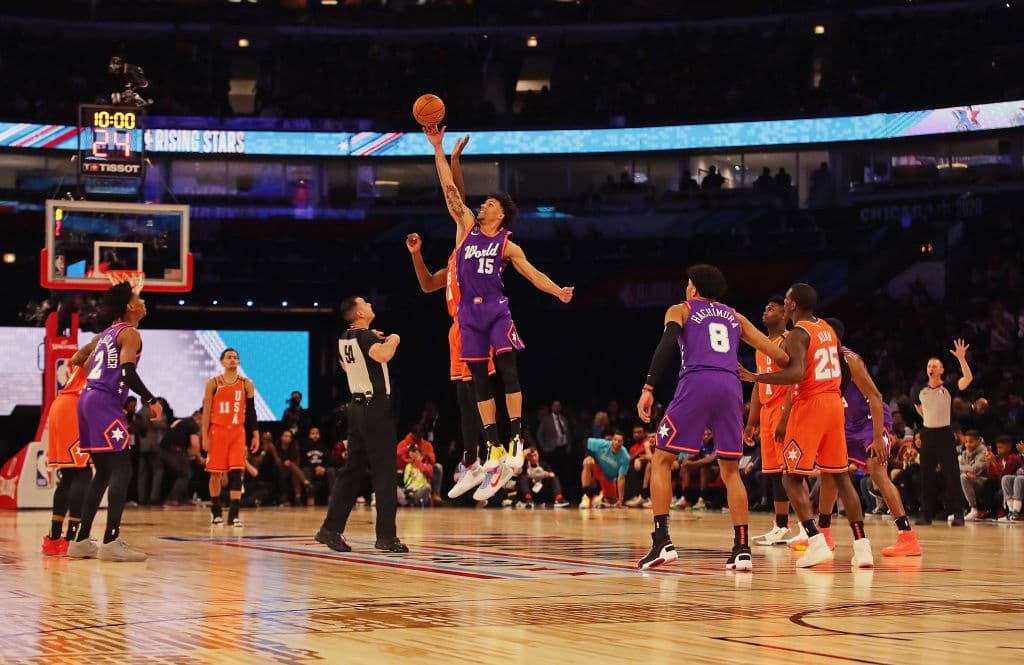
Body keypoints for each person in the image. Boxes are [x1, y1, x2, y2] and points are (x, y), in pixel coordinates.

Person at [424, 124, 574, 503]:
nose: (483, 205)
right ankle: (492, 451)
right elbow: (450, 191)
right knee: (476, 382)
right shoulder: (467, 228)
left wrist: (557, 290)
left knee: (507, 371)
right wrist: (438, 148)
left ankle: (515, 442)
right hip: (467, 317)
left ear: (501, 215)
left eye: (490, 203)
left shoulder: (507, 244)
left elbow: (532, 274)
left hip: (496, 311)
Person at [637, 264, 789, 572]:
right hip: (731, 387)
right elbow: (782, 358)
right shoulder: (736, 316)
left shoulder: (681, 309)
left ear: (693, 288)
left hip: (697, 382)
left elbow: (667, 344)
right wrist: (760, 375)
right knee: (731, 470)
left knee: (662, 459)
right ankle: (741, 548)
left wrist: (649, 387)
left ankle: (662, 541)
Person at [739, 283, 873, 569]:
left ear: (793, 305)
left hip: (809, 405)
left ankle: (815, 540)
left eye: (786, 300)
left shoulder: (799, 333)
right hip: (834, 404)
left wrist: (756, 378)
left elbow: (796, 373)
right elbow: (843, 368)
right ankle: (863, 547)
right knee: (840, 477)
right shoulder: (827, 328)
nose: (784, 303)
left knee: (790, 476)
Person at [406, 134, 497, 500]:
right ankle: (471, 461)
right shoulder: (456, 257)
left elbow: (452, 195)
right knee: (463, 399)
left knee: (481, 394)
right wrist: (416, 253)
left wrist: (438, 149)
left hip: (477, 322)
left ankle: (495, 458)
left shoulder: (473, 239)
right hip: (457, 328)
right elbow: (428, 285)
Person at [792, 318, 921, 557]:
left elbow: (875, 396)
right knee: (831, 473)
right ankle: (825, 534)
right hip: (845, 423)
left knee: (877, 470)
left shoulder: (850, 359)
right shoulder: (821, 360)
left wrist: (879, 436)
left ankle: (907, 537)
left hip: (870, 421)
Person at [68, 278, 161, 562]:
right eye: (140, 298)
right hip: (104, 401)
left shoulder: (106, 334)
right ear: (131, 306)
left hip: (88, 399)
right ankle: (110, 541)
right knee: (123, 468)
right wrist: (150, 399)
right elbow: (127, 373)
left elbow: (76, 358)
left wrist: (96, 367)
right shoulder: (130, 333)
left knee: (105, 472)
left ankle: (81, 540)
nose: (144, 302)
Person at [315, 296, 408, 554]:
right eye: (365, 303)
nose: (370, 305)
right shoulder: (366, 338)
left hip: (356, 409)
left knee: (351, 471)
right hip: (375, 409)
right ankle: (386, 537)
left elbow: (346, 367)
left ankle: (330, 529)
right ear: (358, 313)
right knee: (385, 473)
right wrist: (393, 339)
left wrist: (372, 339)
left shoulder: (346, 337)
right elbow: (384, 355)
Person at [743, 295, 794, 546]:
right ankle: (781, 525)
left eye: (771, 308)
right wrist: (751, 422)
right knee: (774, 473)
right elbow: (757, 383)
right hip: (766, 412)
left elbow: (796, 380)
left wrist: (785, 417)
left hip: (786, 409)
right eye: (764, 307)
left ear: (784, 314)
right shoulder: (761, 346)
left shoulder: (789, 341)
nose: (765, 311)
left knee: (790, 470)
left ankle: (806, 526)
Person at [42, 337, 98, 555]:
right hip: (76, 406)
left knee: (69, 475)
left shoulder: (87, 354)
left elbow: (77, 357)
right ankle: (72, 538)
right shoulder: (108, 352)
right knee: (83, 473)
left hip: (62, 405)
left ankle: (53, 538)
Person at [913, 339, 973, 525]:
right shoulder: (920, 390)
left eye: (935, 365)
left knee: (951, 475)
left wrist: (962, 359)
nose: (931, 368)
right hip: (928, 434)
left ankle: (959, 515)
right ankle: (926, 515)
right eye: (929, 365)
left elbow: (968, 379)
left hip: (945, 434)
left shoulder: (948, 387)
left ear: (941, 370)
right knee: (926, 476)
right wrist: (927, 421)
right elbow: (918, 407)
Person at [201, 348, 260, 526]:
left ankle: (234, 514)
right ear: (222, 362)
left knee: (237, 473)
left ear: (238, 362)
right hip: (217, 431)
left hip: (237, 432)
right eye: (229, 357)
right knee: (215, 474)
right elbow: (206, 412)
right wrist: (204, 436)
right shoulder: (213, 383)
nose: (233, 360)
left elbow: (251, 411)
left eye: (235, 357)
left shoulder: (246, 383)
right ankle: (216, 510)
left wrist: (255, 434)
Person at [160, 410, 203, 505]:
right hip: (174, 449)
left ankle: (183, 498)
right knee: (185, 474)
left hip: (164, 448)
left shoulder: (183, 421)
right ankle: (172, 498)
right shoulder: (193, 425)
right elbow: (194, 443)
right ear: (198, 418)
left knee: (182, 473)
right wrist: (199, 456)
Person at [581, 432, 630, 509]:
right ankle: (585, 496)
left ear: (623, 442)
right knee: (587, 462)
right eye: (615, 440)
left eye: (619, 441)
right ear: (612, 440)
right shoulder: (603, 444)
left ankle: (599, 499)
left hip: (609, 478)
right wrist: (588, 456)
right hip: (597, 468)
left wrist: (621, 500)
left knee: (612, 502)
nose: (616, 442)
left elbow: (621, 478)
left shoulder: (625, 457)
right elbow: (586, 442)